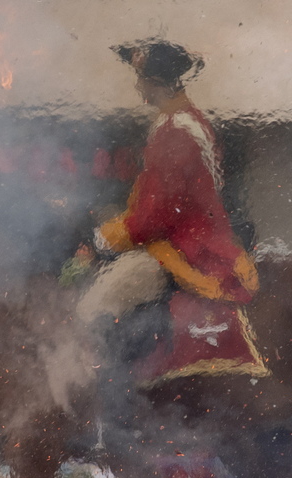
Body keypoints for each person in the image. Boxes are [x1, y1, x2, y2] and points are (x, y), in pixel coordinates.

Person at [80, 38, 265, 385]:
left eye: (141, 79)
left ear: (155, 83)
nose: (138, 87)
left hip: (183, 247)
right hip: (196, 236)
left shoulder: (173, 131)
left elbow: (153, 218)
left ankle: (113, 412)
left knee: (93, 307)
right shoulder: (188, 120)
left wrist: (106, 239)